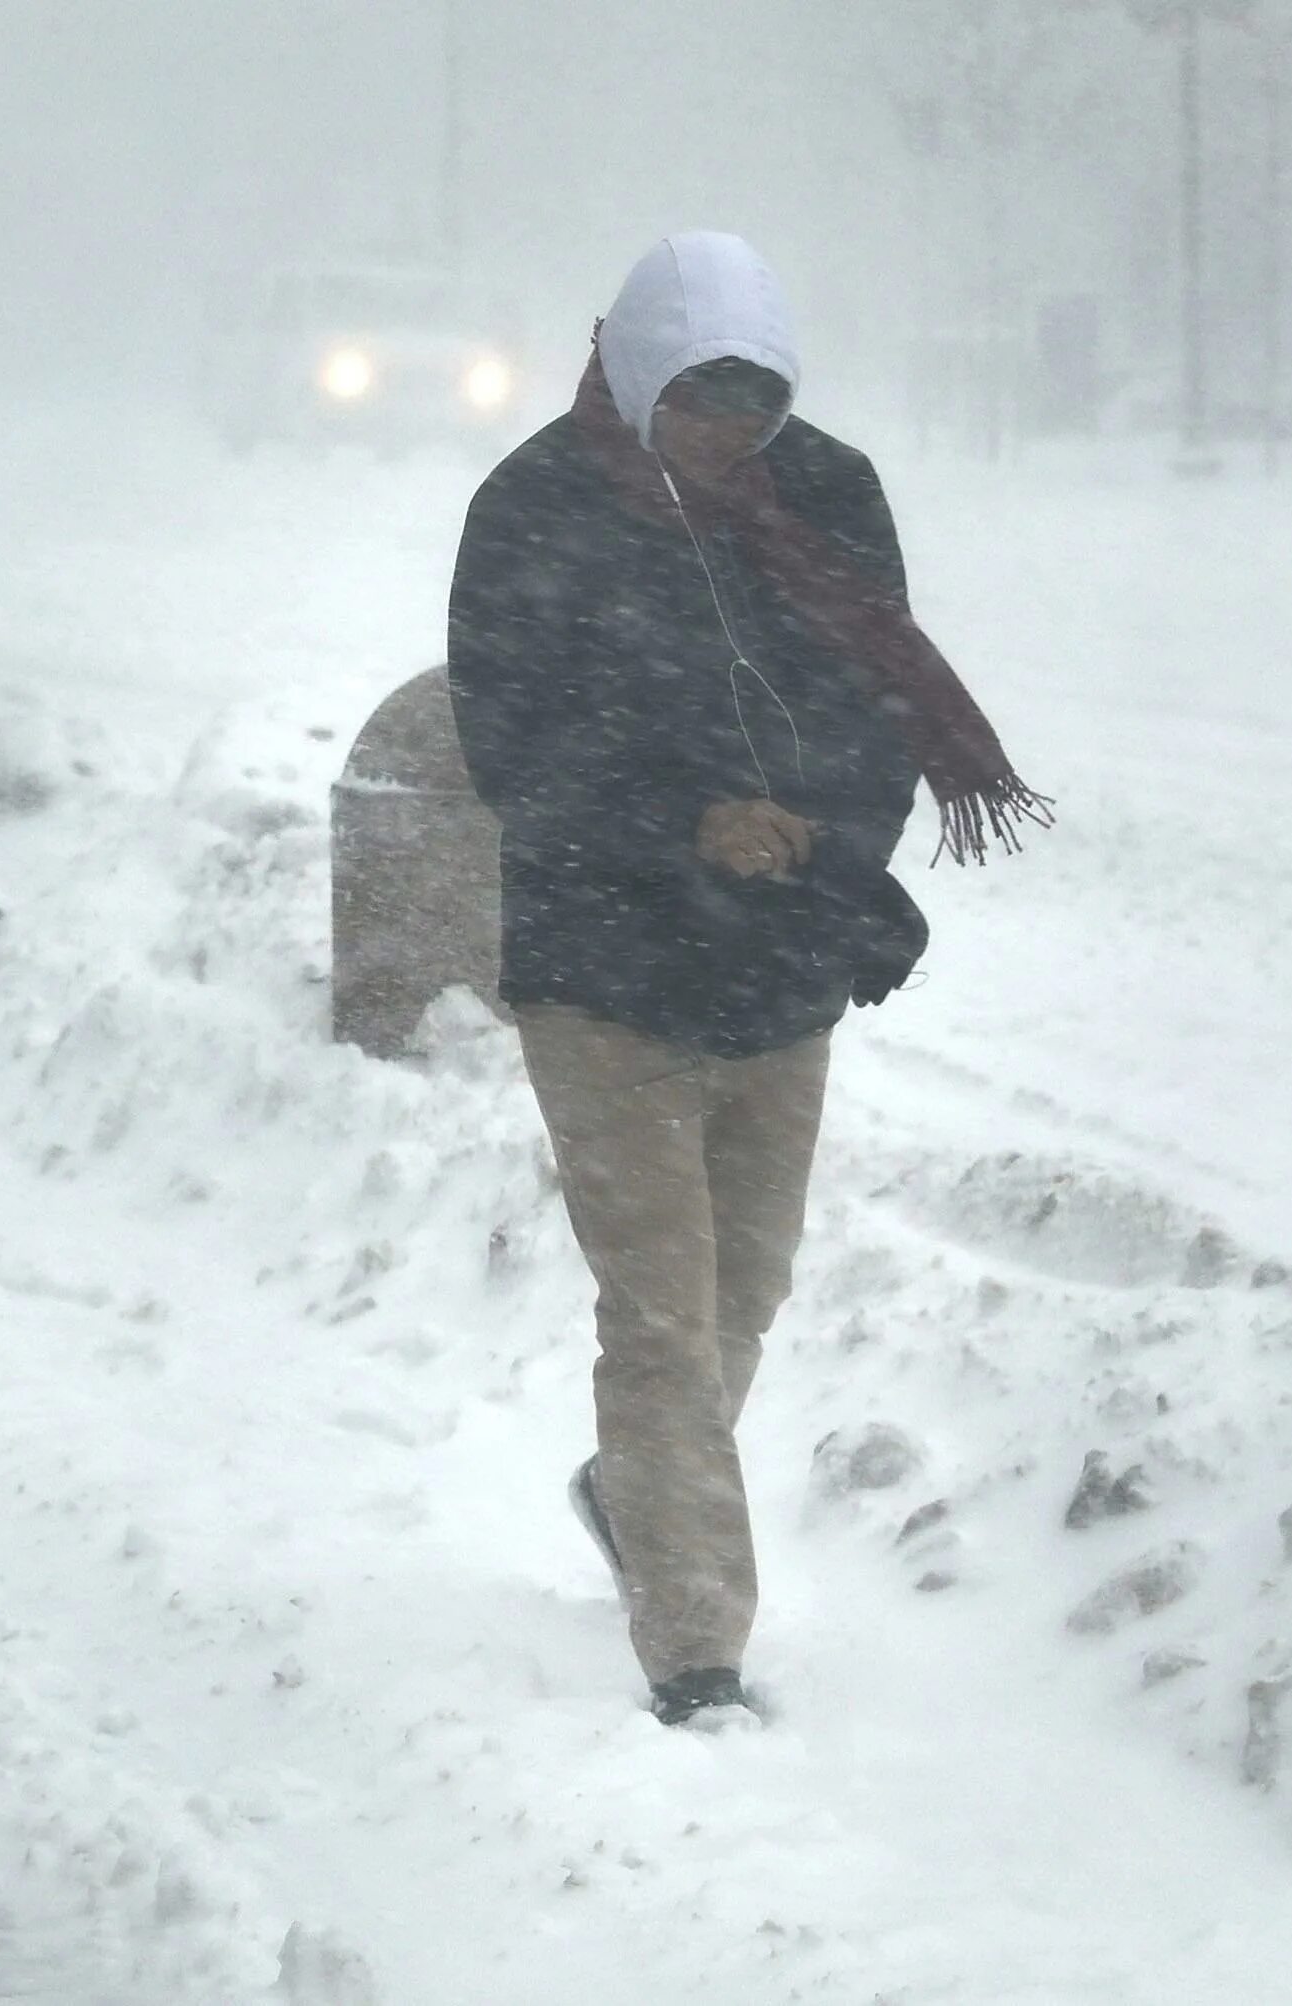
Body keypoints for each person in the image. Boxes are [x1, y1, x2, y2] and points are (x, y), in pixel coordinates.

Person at [445, 233, 1050, 1727]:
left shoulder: (825, 493)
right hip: (607, 965)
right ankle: (696, 1648)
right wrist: (686, 823)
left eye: (753, 402)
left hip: (775, 965)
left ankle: (633, 1493)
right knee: (658, 1312)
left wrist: (826, 847)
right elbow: (515, 744)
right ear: (640, 376)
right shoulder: (534, 507)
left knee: (745, 1294)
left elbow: (880, 699)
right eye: (700, 400)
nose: (728, 433)